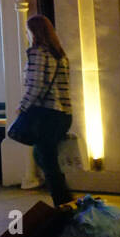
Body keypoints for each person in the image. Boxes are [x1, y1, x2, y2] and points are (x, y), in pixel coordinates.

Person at [20, 14, 75, 208]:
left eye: (27, 31)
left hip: (47, 114)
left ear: (34, 32)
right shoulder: (59, 54)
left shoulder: (37, 53)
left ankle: (64, 204)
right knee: (44, 157)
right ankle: (66, 200)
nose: (26, 34)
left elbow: (35, 86)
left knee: (47, 160)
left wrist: (23, 106)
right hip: (63, 114)